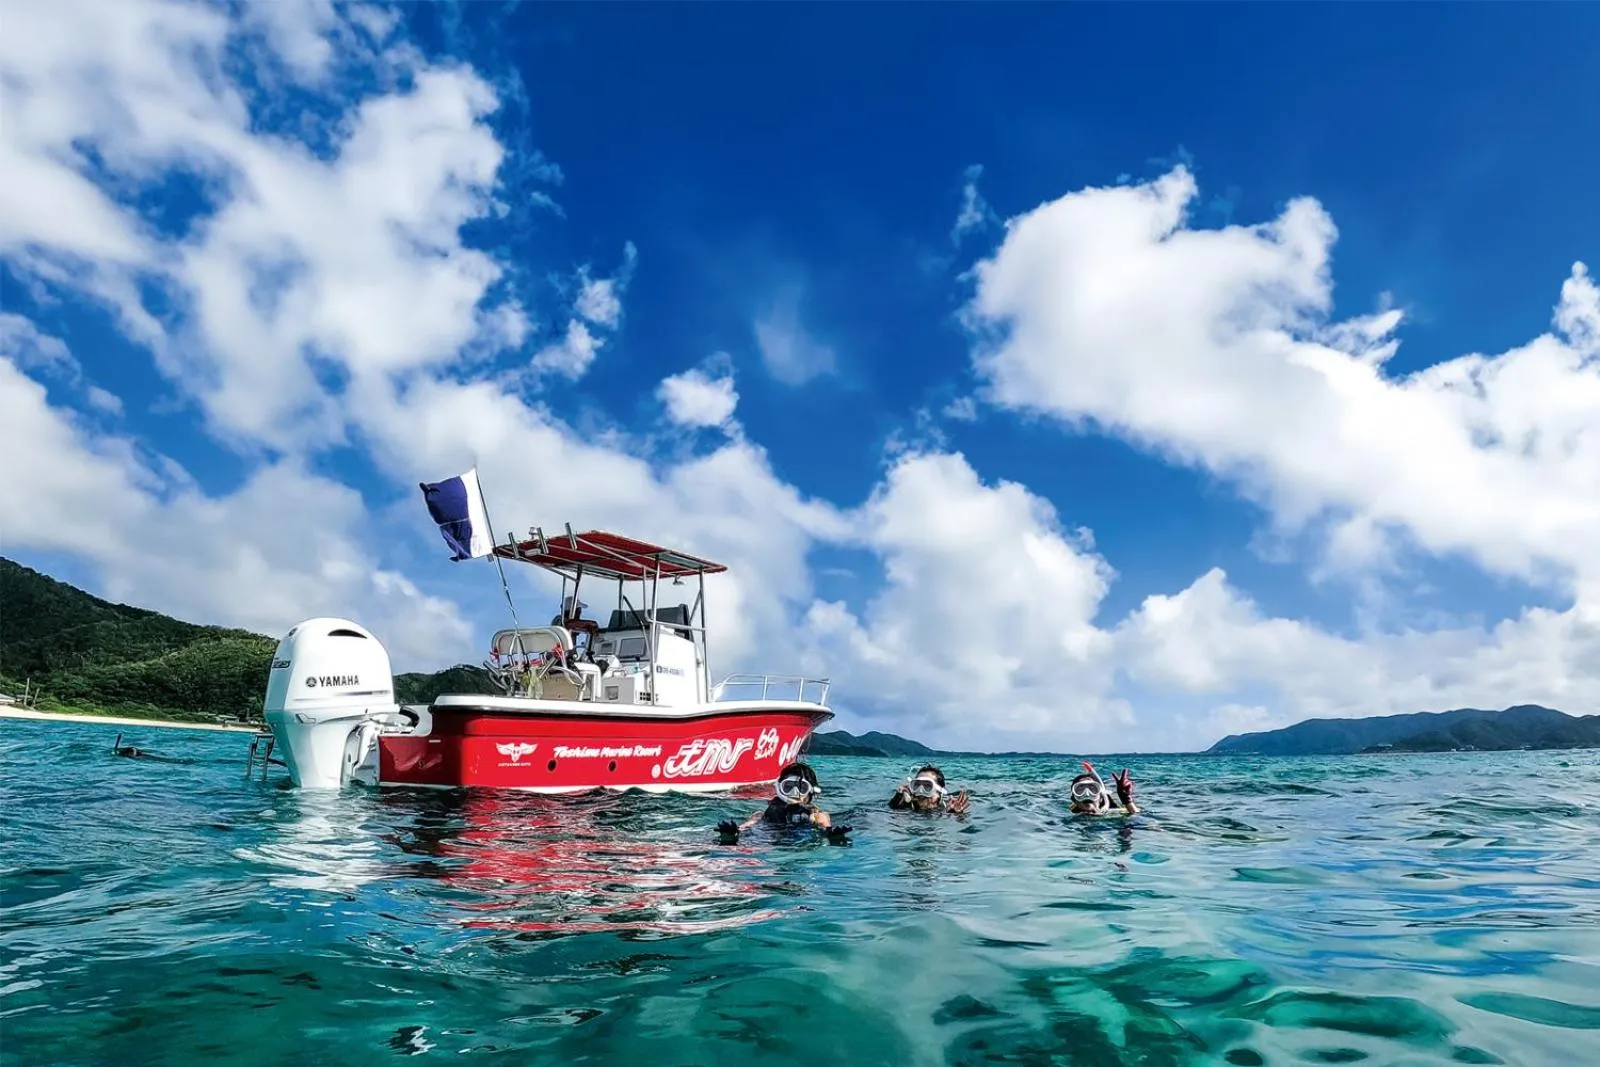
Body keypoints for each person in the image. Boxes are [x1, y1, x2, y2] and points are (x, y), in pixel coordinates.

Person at [716, 761, 852, 842]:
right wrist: (735, 832)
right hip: (769, 840)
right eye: (788, 787)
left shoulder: (818, 816)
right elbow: (748, 826)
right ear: (779, 787)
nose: (794, 793)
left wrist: (831, 834)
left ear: (810, 792)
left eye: (800, 788)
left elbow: (825, 827)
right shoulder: (761, 815)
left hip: (801, 845)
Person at [889, 764, 970, 815]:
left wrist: (954, 814)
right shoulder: (905, 808)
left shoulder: (944, 812)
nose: (920, 791)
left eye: (927, 786)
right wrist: (897, 799)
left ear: (939, 793)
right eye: (916, 785)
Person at [1069, 761, 1138, 815]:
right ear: (1074, 800)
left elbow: (1138, 821)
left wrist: (1127, 800)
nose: (1087, 794)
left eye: (1092, 789)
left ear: (1101, 798)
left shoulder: (1114, 814)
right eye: (1080, 790)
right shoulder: (1069, 821)